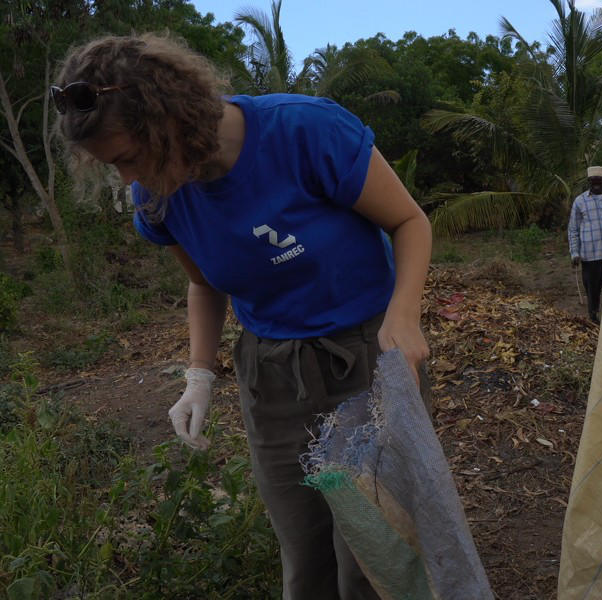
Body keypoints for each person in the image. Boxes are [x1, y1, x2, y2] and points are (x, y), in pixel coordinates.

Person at [52, 33, 432, 600]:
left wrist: (404, 315)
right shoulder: (158, 196)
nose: (128, 180)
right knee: (305, 556)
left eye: (128, 158)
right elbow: (203, 283)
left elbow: (409, 222)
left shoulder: (304, 130)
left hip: (368, 356)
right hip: (272, 375)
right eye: (113, 167)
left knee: (371, 557)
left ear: (170, 119)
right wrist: (199, 375)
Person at [567, 166, 602, 324]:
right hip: (590, 256)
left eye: (599, 180)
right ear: (589, 181)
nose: (596, 183)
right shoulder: (580, 201)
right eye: (593, 181)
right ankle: (594, 318)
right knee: (592, 290)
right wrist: (575, 253)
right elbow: (573, 229)